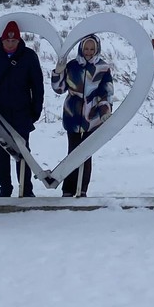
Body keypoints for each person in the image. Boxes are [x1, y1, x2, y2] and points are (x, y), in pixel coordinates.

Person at [0, 20, 45, 197]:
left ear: (19, 40)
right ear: (2, 41)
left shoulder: (29, 56)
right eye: (7, 41)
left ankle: (26, 189)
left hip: (21, 112)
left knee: (23, 152)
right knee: (0, 153)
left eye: (14, 41)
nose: (10, 44)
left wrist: (36, 110)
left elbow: (37, 86)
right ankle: (4, 189)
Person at [51, 33, 114, 197]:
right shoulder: (72, 66)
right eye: (86, 48)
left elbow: (106, 92)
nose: (89, 51)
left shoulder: (103, 68)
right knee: (72, 152)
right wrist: (58, 72)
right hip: (72, 115)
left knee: (86, 154)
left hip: (91, 118)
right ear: (81, 48)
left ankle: (82, 189)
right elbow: (59, 88)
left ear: (97, 49)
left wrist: (105, 110)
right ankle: (68, 189)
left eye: (92, 48)